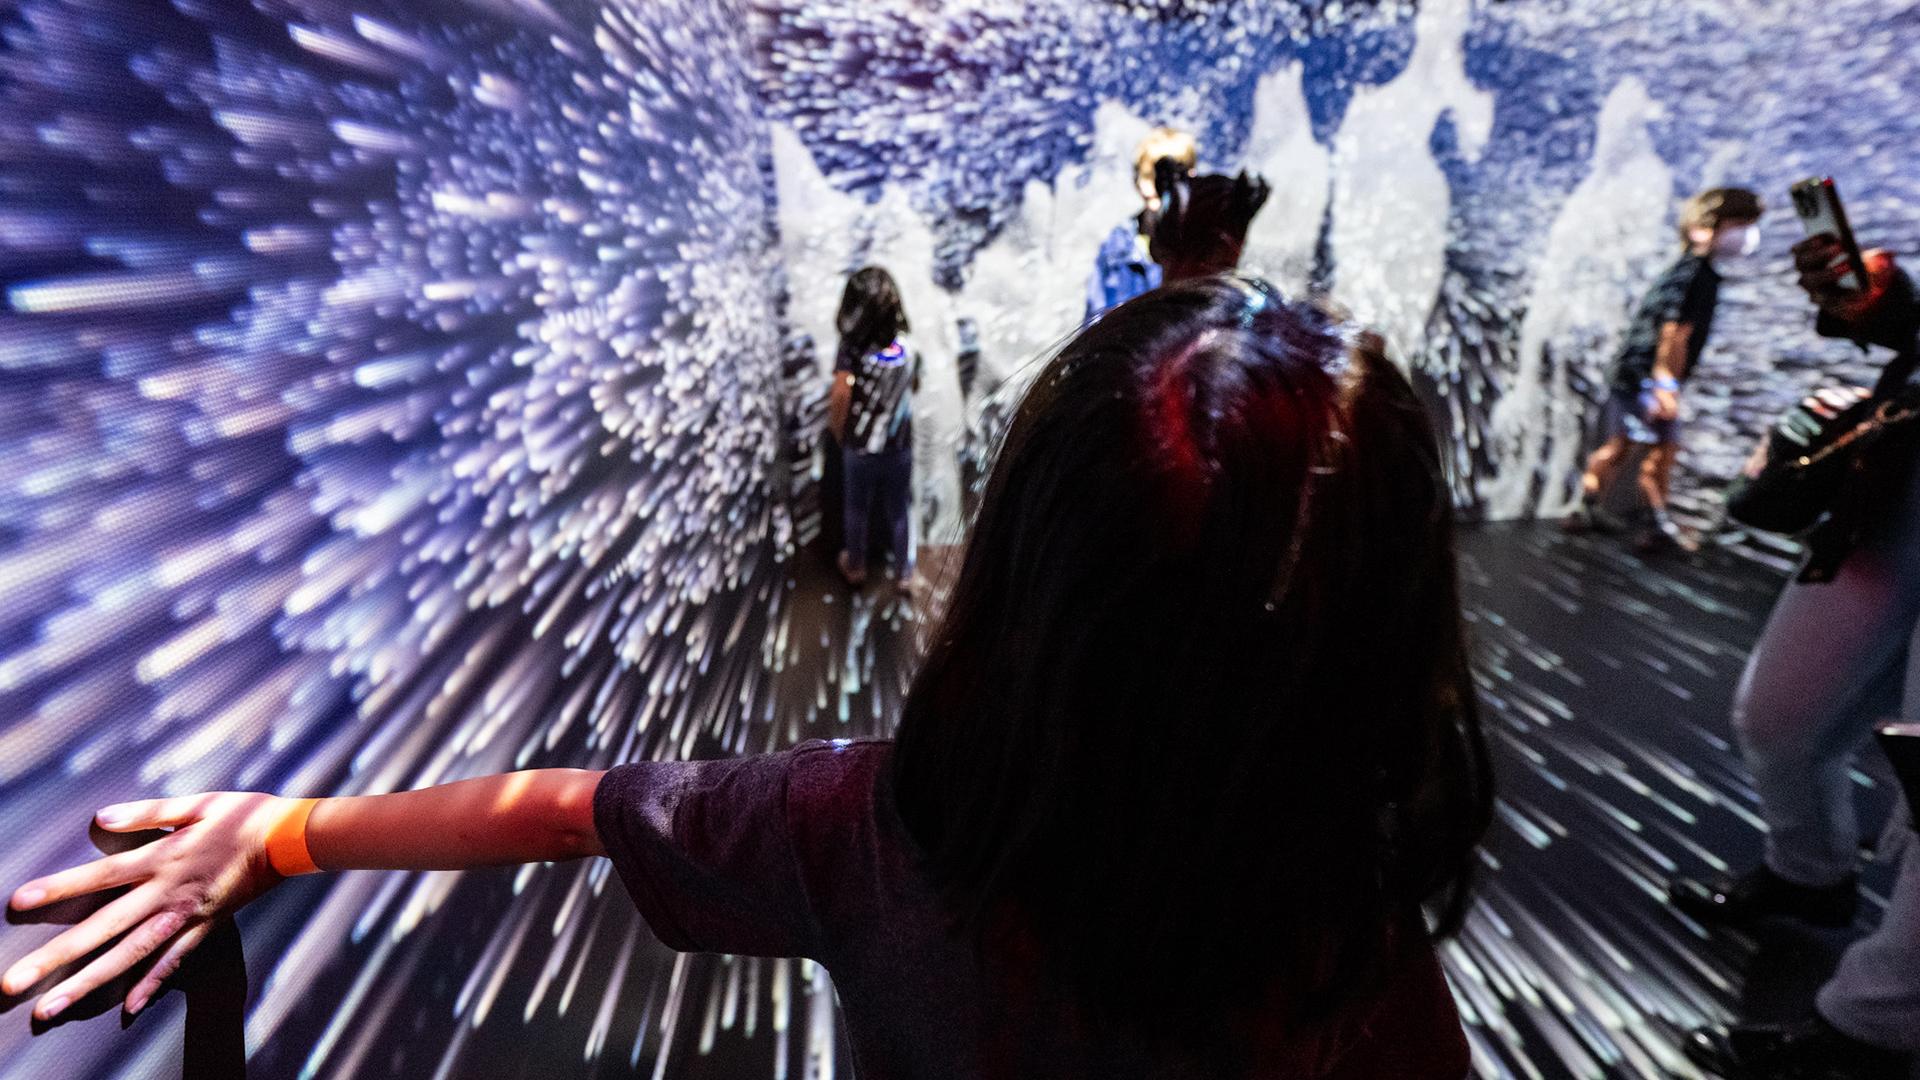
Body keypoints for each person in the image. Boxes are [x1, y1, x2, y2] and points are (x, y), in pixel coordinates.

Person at [3, 277, 1492, 1079]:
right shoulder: (1354, 969)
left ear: (1026, 587)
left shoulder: (863, 828)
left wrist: (282, 836)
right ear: (1389, 642)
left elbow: (555, 811)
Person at [1672, 235, 1920, 1079]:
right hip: (1899, 481)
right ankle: (1810, 876)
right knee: (1781, 712)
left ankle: (1879, 1028)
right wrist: (1888, 309)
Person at [1566, 187, 1765, 552]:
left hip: (1635, 375)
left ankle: (1588, 509)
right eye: (1740, 224)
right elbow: (1674, 333)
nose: (1747, 234)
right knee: (1662, 450)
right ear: (1706, 227)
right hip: (1646, 378)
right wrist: (1664, 385)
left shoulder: (1684, 270)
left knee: (1624, 446)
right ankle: (1654, 526)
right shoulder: (1697, 275)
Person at [827, 267, 920, 594]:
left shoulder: (851, 349)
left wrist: (838, 431)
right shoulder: (906, 345)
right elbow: (915, 385)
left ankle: (855, 566)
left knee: (856, 507)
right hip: (899, 446)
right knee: (899, 508)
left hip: (861, 447)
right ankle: (904, 573)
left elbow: (841, 394)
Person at [1084, 127, 1197, 321]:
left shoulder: (1201, 240)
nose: (1153, 186)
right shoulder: (1118, 244)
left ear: (1190, 178)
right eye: (1146, 175)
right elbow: (1094, 317)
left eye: (1164, 178)